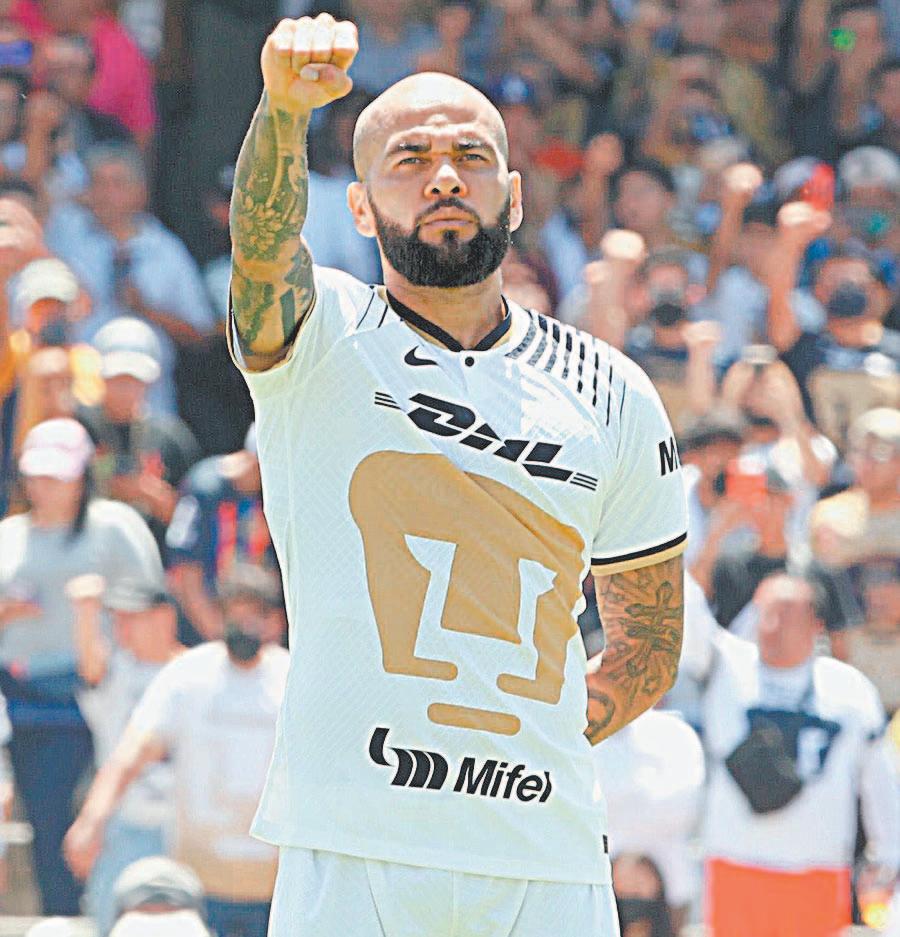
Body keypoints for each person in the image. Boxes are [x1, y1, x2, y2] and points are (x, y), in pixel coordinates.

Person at [226, 14, 688, 935]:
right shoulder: (319, 335)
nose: (444, 176)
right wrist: (282, 111)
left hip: (545, 856)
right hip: (353, 844)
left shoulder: (614, 391)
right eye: (409, 159)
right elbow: (263, 251)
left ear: (513, 197)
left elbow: (649, 641)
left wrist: (526, 740)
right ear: (359, 208)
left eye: (472, 157)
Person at [64, 565, 288, 937]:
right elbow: (129, 756)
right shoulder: (188, 675)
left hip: (275, 887)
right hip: (201, 882)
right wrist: (92, 821)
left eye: (253, 616)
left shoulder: (292, 680)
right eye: (234, 615)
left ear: (274, 622)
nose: (243, 626)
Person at [0, 417, 164, 916]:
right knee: (48, 821)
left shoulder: (116, 526)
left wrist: (97, 610)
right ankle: (62, 916)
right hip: (27, 701)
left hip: (109, 694)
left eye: (57, 475)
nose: (45, 486)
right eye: (37, 475)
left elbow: (151, 602)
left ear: (81, 475)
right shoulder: (9, 535)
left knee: (120, 814)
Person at [681, 573, 900, 937]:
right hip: (735, 867)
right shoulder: (725, 666)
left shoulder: (850, 689)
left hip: (817, 872)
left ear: (816, 624)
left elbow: (880, 779)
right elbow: (685, 609)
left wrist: (891, 854)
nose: (771, 626)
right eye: (764, 613)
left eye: (785, 614)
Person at [45, 143, 216, 416]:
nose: (105, 193)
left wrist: (146, 310)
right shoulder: (67, 236)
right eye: (98, 183)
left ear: (140, 192)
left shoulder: (165, 250)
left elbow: (201, 331)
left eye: (117, 184)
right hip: (78, 393)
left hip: (148, 403)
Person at [67, 577, 183, 936]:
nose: (122, 629)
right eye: (117, 619)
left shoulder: (196, 668)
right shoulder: (118, 672)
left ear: (164, 617)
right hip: (123, 827)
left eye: (132, 618)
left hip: (188, 830)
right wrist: (86, 612)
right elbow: (91, 666)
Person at [80, 316, 201, 552]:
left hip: (154, 554)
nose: (125, 389)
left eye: (133, 380)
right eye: (116, 379)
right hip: (90, 553)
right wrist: (109, 487)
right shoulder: (81, 428)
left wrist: (154, 497)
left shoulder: (171, 437)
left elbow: (193, 520)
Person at [593, 709, 705, 932]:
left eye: (632, 894)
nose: (634, 888)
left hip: (665, 862)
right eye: (637, 894)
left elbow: (682, 807)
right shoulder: (588, 731)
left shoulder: (676, 733)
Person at [165, 424, 276, 643]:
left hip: (253, 625)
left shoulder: (268, 496)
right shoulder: (204, 488)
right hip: (205, 626)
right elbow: (186, 574)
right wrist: (219, 637)